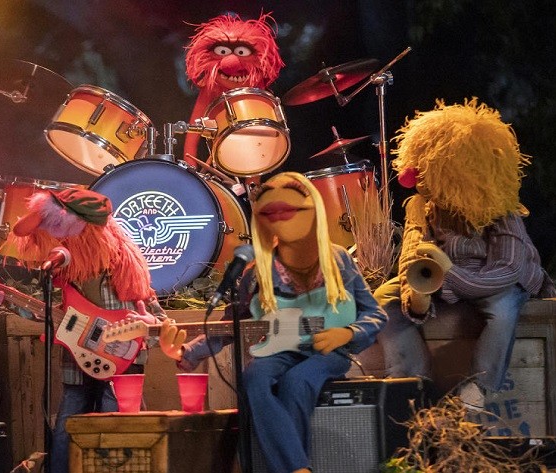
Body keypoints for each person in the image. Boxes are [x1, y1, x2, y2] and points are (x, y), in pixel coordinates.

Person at [158, 172, 386, 473]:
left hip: (328, 353)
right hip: (280, 350)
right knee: (255, 377)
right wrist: (185, 352)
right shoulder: (258, 271)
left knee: (297, 382)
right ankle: (298, 468)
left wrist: (348, 333)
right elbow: (232, 327)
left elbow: (375, 314)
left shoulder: (338, 260)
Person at [375, 98, 556, 411]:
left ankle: (480, 386)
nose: (413, 177)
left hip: (494, 279)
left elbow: (506, 270)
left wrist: (449, 272)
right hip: (443, 276)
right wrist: (413, 294)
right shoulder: (422, 205)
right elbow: (411, 253)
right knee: (383, 299)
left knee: (504, 310)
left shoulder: (501, 211)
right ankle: (411, 379)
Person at [0, 187, 164, 473]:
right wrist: (5, 300)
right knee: (64, 441)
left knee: (118, 444)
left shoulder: (127, 271)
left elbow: (159, 321)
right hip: (76, 369)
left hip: (122, 372)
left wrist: (148, 325)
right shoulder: (67, 275)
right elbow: (50, 316)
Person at [182, 12, 285, 167]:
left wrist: (255, 176)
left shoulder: (257, 88)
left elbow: (268, 138)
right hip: (220, 150)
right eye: (222, 51)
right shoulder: (211, 88)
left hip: (257, 151)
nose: (231, 63)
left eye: (242, 52)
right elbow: (193, 131)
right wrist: (190, 164)